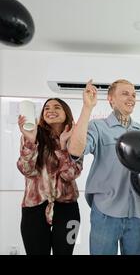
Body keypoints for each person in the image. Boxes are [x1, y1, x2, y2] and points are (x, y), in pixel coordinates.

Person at [68, 79, 140, 255]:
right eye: (125, 93)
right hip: (105, 213)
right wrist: (87, 108)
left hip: (137, 214)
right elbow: (75, 151)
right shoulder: (98, 127)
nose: (132, 98)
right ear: (111, 99)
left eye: (134, 94)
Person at [17, 98, 81, 255]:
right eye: (46, 108)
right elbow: (26, 170)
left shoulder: (76, 139)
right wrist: (30, 142)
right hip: (34, 209)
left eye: (57, 107)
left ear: (66, 113)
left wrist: (63, 146)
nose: (50, 110)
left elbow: (70, 174)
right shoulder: (31, 136)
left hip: (67, 209)